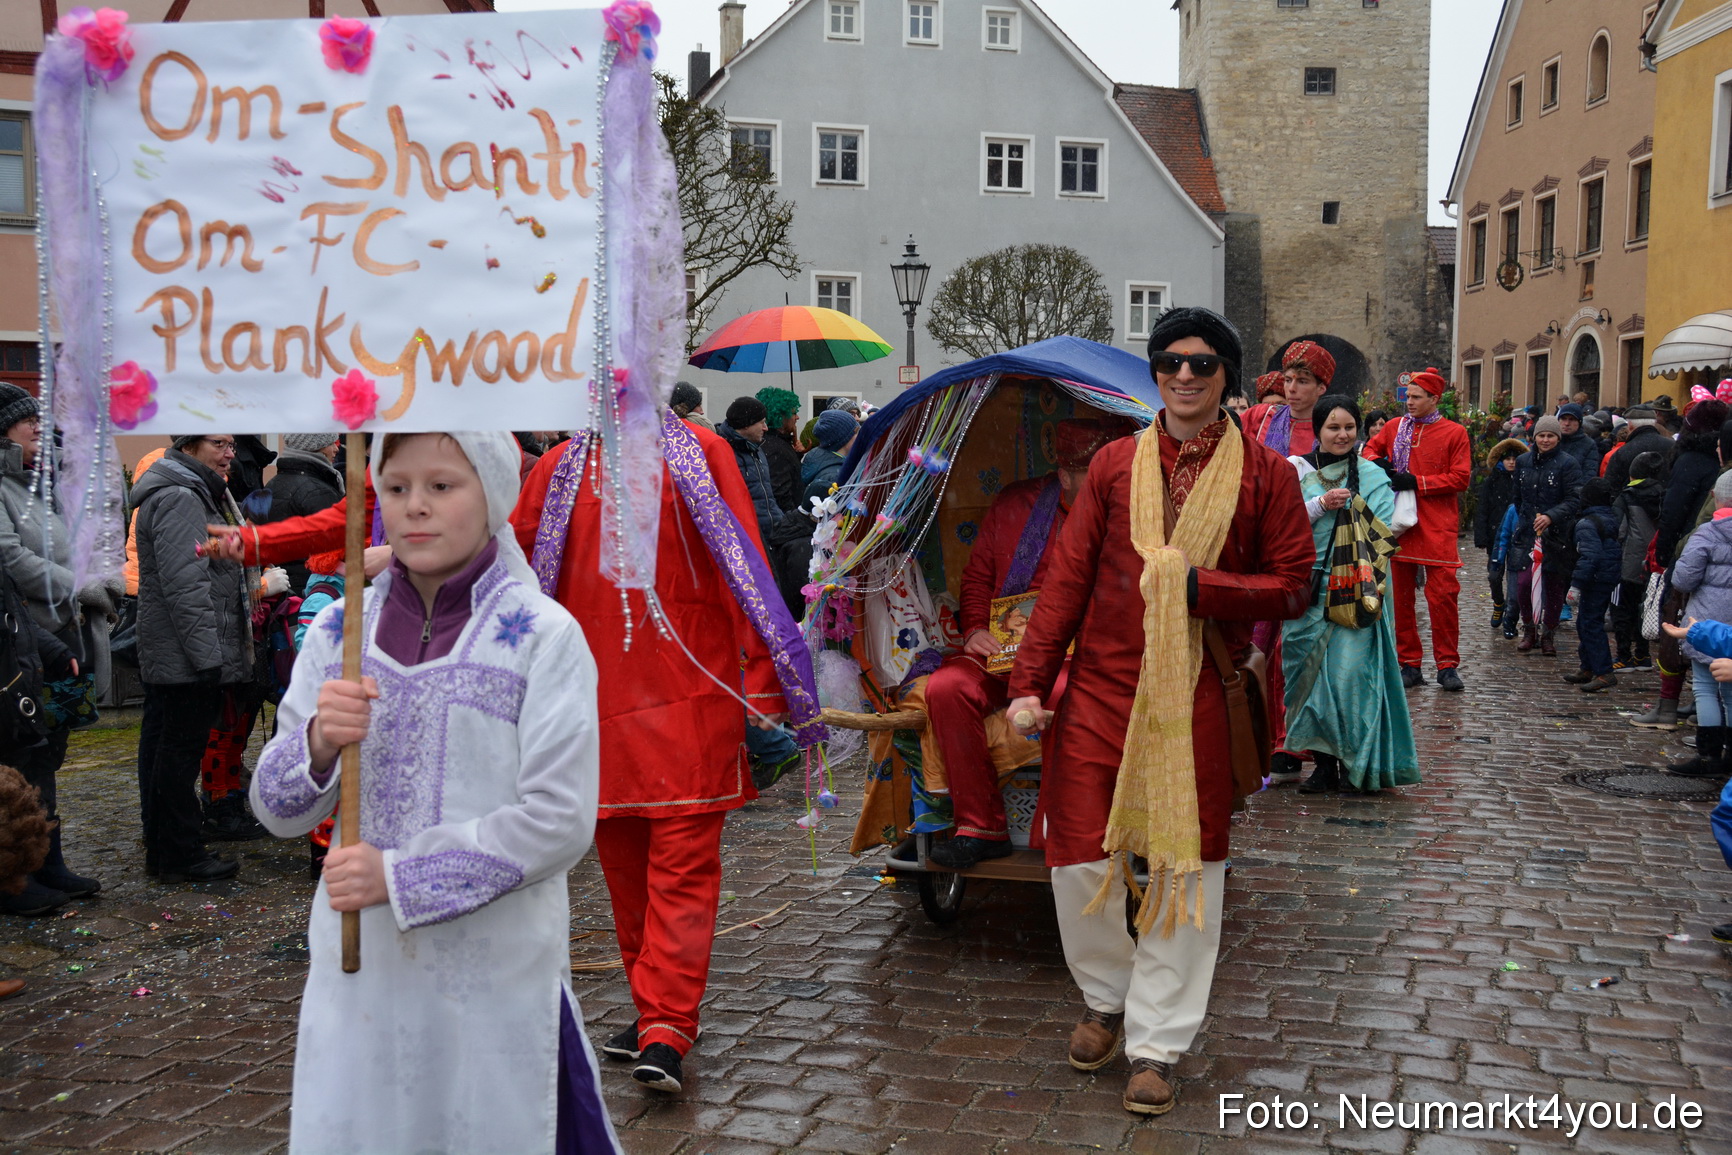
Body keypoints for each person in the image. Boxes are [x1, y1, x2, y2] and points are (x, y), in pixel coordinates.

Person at [252, 431, 616, 1154]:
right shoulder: (337, 630)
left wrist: (400, 874)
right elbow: (275, 809)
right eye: (396, 488)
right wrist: (321, 739)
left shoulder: (543, 636)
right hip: (363, 977)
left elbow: (561, 818)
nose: (415, 507)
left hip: (493, 972)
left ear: (493, 493)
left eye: (442, 486)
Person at [1004, 307, 1313, 1117]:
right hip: (1102, 688)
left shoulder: (1268, 476)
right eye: (1169, 362)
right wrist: (1030, 681)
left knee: (1189, 866)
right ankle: (1106, 997)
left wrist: (1200, 587)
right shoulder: (1112, 465)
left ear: (1228, 377)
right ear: (1154, 373)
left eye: (1202, 364)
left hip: (1199, 691)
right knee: (1075, 856)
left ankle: (1156, 1043)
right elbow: (1065, 580)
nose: (1184, 375)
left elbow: (1293, 585)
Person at [514, 408, 813, 1096]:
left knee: (681, 871)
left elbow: (743, 561)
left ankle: (667, 1025)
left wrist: (765, 679)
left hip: (689, 703)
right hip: (596, 710)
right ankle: (656, 1008)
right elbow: (518, 570)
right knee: (625, 875)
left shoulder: (703, 453)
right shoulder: (561, 467)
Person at [924, 419, 1129, 869]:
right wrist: (976, 627)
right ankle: (981, 826)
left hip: (1078, 655)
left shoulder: (1129, 510)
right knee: (945, 689)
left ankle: (1059, 829)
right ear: (1064, 476)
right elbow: (978, 576)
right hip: (1004, 647)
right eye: (1091, 478)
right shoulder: (1016, 503)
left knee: (1060, 696)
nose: (1104, 487)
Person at [0, 384, 111, 914]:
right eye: (29, 424)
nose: (40, 432)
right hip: (18, 640)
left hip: (55, 634)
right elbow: (11, 558)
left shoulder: (41, 482)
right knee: (19, 756)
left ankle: (48, 861)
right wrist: (76, 584)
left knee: (47, 752)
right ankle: (15, 874)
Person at [1281, 395, 1419, 794]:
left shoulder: (1372, 475)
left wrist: (1352, 509)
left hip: (1354, 592)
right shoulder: (1297, 470)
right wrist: (1321, 505)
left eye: (1348, 427)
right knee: (1307, 685)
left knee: (1348, 680)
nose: (1342, 435)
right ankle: (1323, 765)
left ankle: (1355, 765)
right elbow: (1285, 525)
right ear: (1318, 430)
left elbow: (1384, 535)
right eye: (1333, 427)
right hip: (1306, 592)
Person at [132, 435, 252, 883]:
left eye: (231, 443)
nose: (229, 453)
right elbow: (186, 587)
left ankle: (168, 851)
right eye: (219, 443)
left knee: (168, 751)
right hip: (186, 653)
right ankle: (179, 855)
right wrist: (208, 659)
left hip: (181, 650)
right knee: (177, 757)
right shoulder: (181, 496)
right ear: (190, 445)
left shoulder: (192, 490)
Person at [1362, 369, 1472, 691]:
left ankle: (1447, 665)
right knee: (1400, 600)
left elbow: (1461, 478)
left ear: (1434, 399)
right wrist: (1378, 464)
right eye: (1407, 396)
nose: (1407, 402)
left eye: (1415, 397)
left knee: (1443, 599)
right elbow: (1369, 449)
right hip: (1399, 527)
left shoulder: (1454, 433)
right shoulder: (1395, 428)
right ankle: (1408, 663)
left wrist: (1419, 483)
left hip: (1438, 527)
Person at [1659, 470, 1732, 778]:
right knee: (1730, 693)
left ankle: (1708, 755)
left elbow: (1684, 578)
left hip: (1703, 622)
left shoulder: (1706, 534)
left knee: (1704, 687)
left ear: (1715, 497)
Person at [1508, 417, 1584, 656]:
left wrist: (1551, 516)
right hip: (1528, 533)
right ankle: (1529, 629)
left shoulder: (1567, 464)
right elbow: (1518, 497)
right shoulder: (1523, 461)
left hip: (1556, 535)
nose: (1545, 440)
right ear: (1535, 437)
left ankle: (1548, 633)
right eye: (1542, 435)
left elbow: (1574, 498)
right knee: (1523, 584)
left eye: (1550, 436)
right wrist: (1525, 520)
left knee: (1553, 586)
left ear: (1557, 438)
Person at [1563, 478, 1621, 693]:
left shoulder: (1587, 523)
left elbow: (1590, 556)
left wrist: (1576, 585)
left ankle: (1603, 671)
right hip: (1607, 575)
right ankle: (1588, 666)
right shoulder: (1608, 517)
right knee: (1587, 622)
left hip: (1596, 579)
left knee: (1590, 624)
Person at [266, 434, 346, 592]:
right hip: (314, 590)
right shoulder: (318, 491)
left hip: (285, 590)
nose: (336, 449)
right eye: (331, 443)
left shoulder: (273, 483)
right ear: (316, 447)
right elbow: (339, 549)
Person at [1612, 451, 1666, 670]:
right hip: (1652, 562)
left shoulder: (1626, 496)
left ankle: (1623, 656)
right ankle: (1642, 655)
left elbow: (1619, 530)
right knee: (1643, 608)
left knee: (1621, 609)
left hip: (1627, 563)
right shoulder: (1665, 495)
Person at [1241, 341, 1334, 458]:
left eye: (1302, 381)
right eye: (1288, 380)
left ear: (1321, 388)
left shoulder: (1330, 429)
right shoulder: (1261, 415)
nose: (1291, 389)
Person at [1475, 438, 1525, 631]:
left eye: (1515, 458)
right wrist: (1481, 536)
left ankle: (1513, 612)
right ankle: (1498, 603)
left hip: (1518, 537)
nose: (1511, 462)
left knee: (1516, 578)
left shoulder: (1524, 479)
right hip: (1496, 537)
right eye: (1507, 459)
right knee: (1494, 575)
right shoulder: (1492, 481)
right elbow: (1483, 509)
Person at [755, 386, 805, 513]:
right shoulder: (776, 448)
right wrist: (793, 521)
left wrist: (795, 455)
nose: (797, 417)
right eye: (794, 413)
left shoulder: (771, 442)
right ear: (781, 416)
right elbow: (780, 495)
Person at [1603, 404, 1675, 489]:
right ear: (1654, 423)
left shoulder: (1622, 452)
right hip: (1665, 500)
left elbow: (1611, 487)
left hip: (1631, 501)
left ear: (1630, 426)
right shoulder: (1672, 447)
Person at [801, 409, 857, 505]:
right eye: (856, 432)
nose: (859, 436)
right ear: (843, 438)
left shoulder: (825, 462)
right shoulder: (833, 478)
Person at [1555, 404, 1601, 474]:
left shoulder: (1588, 444)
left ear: (1579, 422)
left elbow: (1589, 473)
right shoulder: (1551, 440)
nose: (1567, 423)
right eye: (1563, 419)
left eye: (1572, 419)